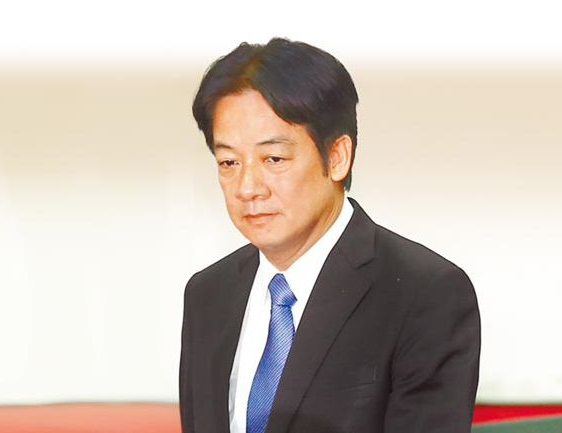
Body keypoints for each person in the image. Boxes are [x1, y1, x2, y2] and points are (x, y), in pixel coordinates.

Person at [179, 38, 481, 433]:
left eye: (274, 159)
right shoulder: (207, 294)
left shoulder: (425, 294)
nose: (247, 187)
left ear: (337, 157)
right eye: (229, 162)